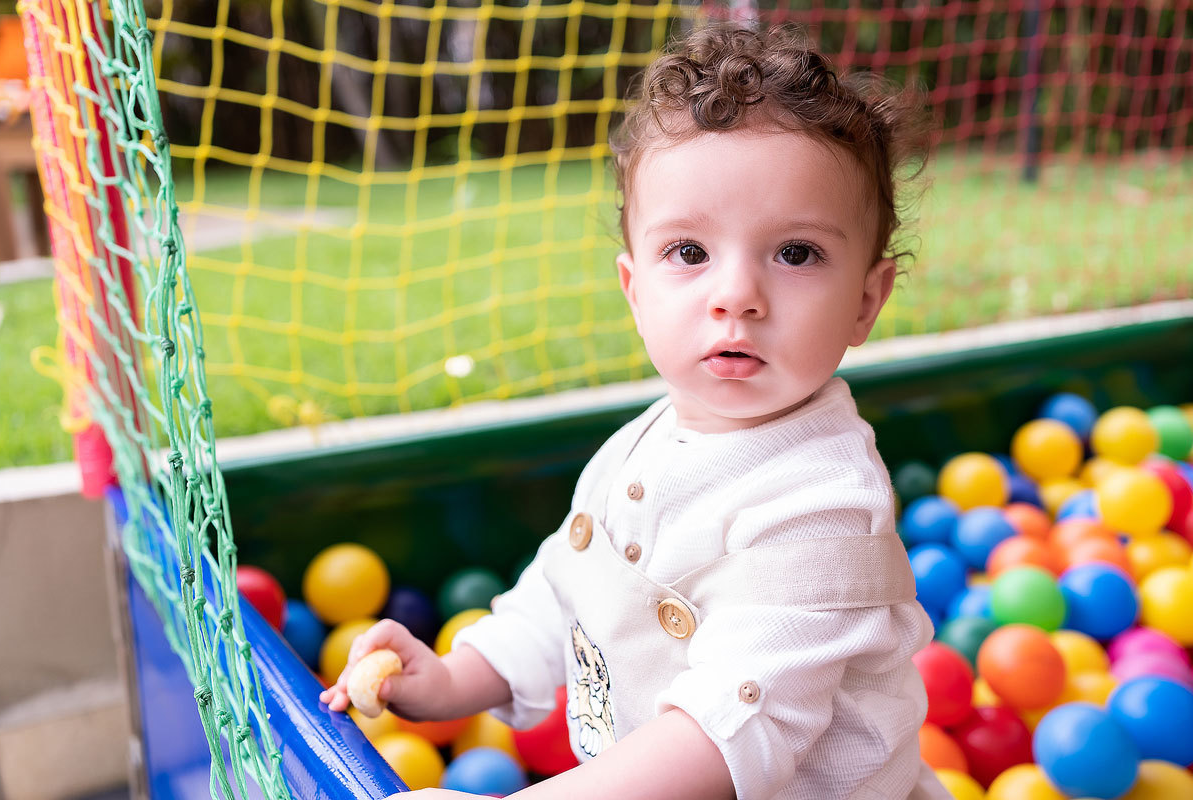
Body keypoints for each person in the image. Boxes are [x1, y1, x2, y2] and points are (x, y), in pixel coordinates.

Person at [321, 22, 949, 800]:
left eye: (795, 253)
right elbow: (567, 592)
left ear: (865, 300)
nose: (736, 296)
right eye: (689, 253)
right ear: (634, 289)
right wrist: (456, 679)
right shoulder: (643, 446)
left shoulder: (824, 506)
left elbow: (726, 735)